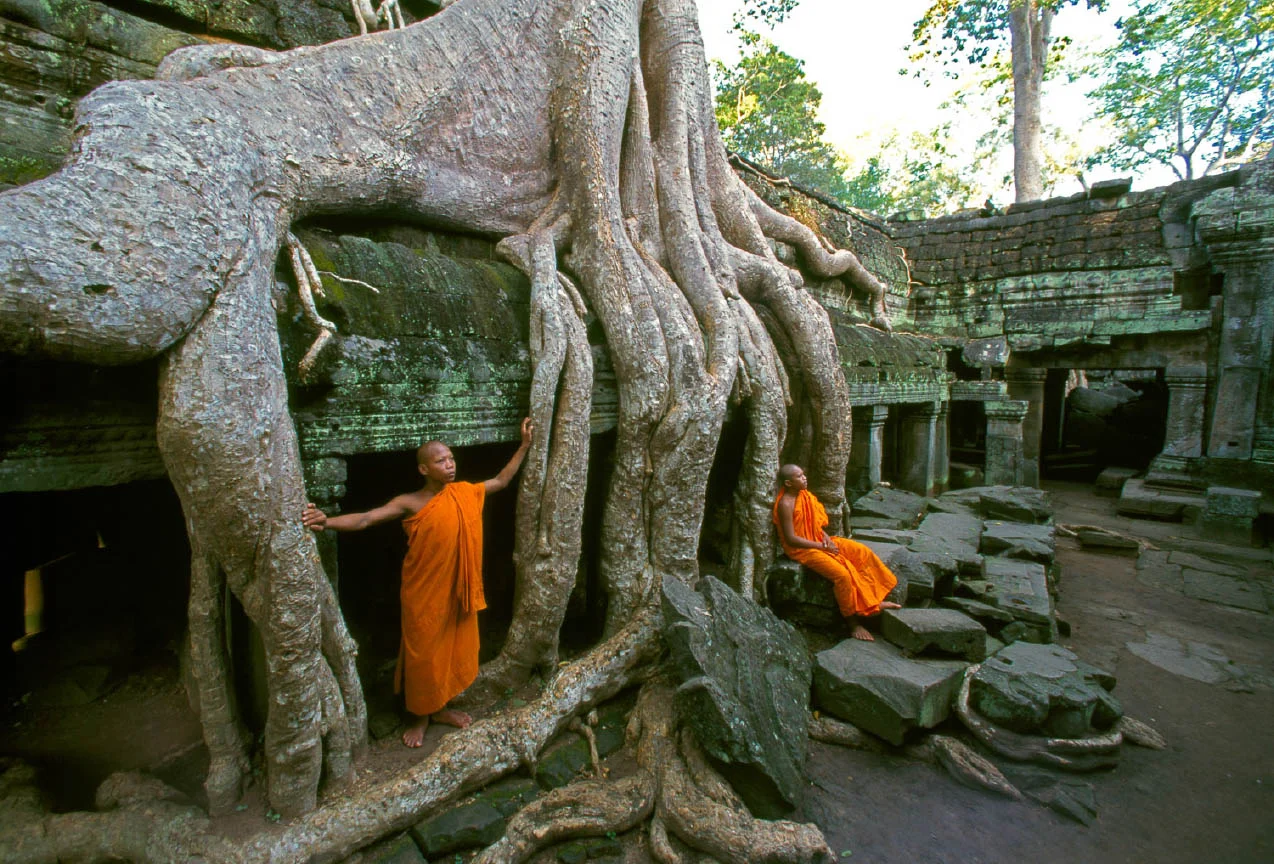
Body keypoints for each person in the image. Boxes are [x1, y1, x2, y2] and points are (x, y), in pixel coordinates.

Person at [303, 418, 533, 747]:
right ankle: (420, 716)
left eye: (451, 458)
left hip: (457, 590)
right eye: (441, 460)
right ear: (424, 469)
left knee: (450, 650)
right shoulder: (410, 502)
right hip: (422, 592)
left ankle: (440, 709)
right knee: (423, 654)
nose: (450, 464)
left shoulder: (464, 492)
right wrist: (326, 522)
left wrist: (524, 446)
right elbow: (367, 518)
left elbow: (500, 481)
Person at [773, 464, 900, 641]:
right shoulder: (785, 504)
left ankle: (872, 602)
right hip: (802, 550)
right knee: (843, 575)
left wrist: (824, 538)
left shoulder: (805, 496)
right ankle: (853, 623)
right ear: (788, 483)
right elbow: (791, 539)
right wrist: (822, 547)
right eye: (799, 477)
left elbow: (814, 525)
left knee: (861, 552)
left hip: (818, 540)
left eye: (803, 474)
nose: (804, 478)